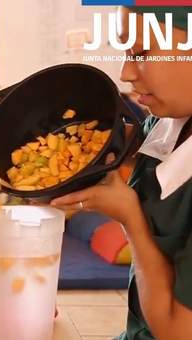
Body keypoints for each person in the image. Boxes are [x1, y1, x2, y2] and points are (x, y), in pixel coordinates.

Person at [51, 6, 192, 339]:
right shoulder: (165, 120)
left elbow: (176, 331)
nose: (126, 72)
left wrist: (131, 218)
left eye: (141, 52)